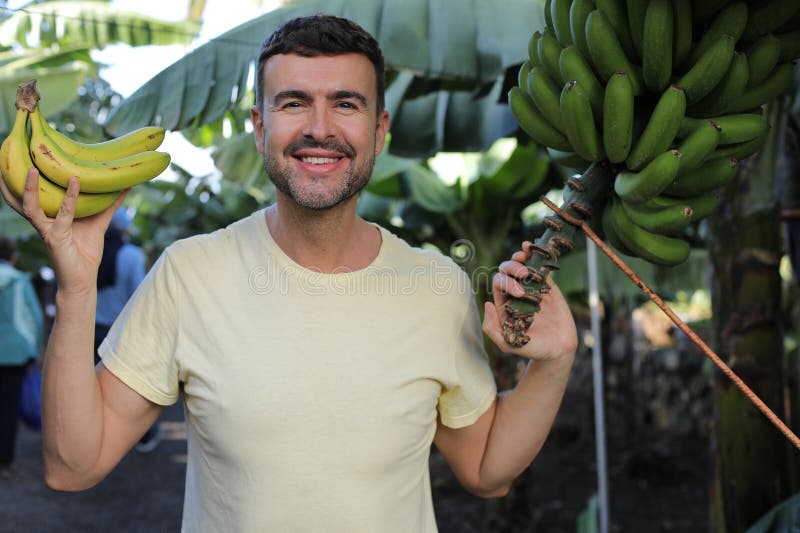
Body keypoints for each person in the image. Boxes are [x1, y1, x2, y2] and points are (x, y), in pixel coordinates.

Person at [0, 15, 578, 531]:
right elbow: (72, 467)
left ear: (380, 130)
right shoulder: (190, 273)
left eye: (346, 104)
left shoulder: (435, 286)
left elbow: (485, 470)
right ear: (259, 125)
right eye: (294, 102)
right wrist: (76, 286)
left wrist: (553, 364)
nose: (320, 128)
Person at [94, 208, 160, 453]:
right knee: (128, 388)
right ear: (125, 230)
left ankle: (96, 434)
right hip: (121, 331)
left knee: (92, 385)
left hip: (91, 330)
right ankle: (141, 436)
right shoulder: (132, 255)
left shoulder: (94, 249)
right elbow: (140, 293)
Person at [0, 236, 43, 478]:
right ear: (12, 256)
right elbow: (34, 317)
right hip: (15, 352)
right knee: (8, 407)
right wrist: (36, 349)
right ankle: (4, 461)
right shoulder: (19, 281)